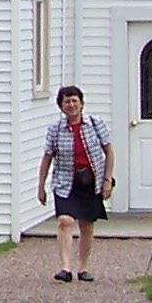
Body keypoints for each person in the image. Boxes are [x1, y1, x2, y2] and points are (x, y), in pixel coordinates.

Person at [37, 84, 114, 282]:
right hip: (65, 181)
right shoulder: (55, 130)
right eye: (67, 101)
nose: (71, 105)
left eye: (74, 101)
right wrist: (41, 186)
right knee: (65, 220)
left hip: (90, 181)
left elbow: (109, 152)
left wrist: (107, 180)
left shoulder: (95, 124)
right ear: (61, 106)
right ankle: (65, 268)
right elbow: (47, 157)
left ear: (81, 104)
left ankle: (83, 268)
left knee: (87, 225)